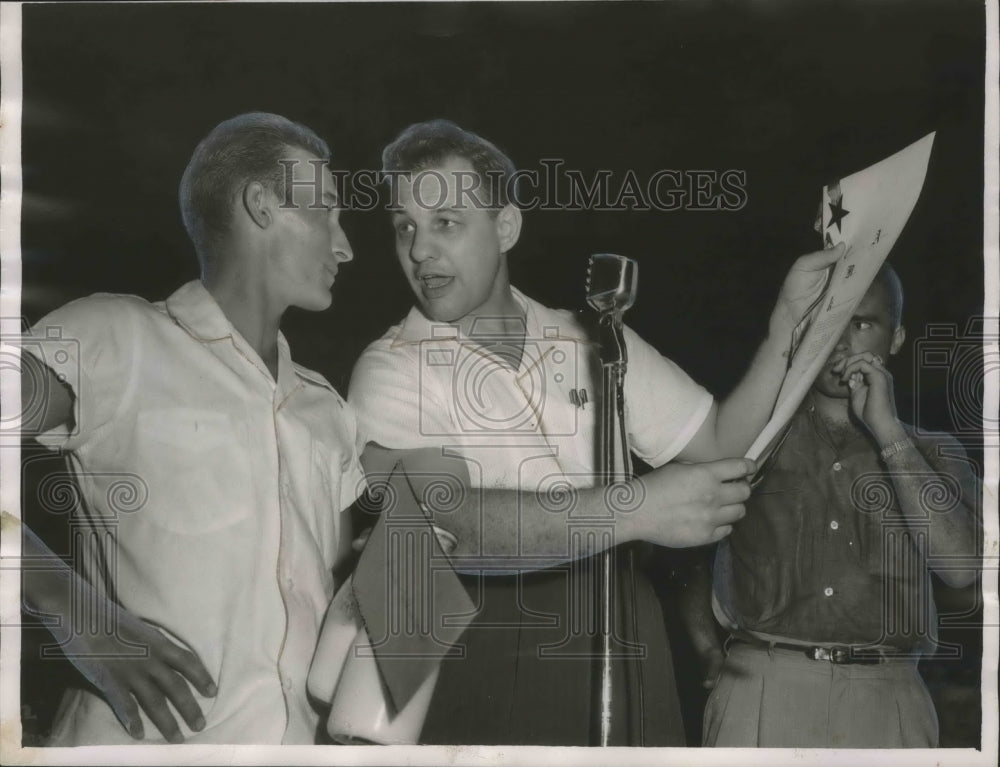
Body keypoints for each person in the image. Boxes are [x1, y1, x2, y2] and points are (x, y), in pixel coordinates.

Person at [346, 118, 844, 745]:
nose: (420, 250)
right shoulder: (391, 366)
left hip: (624, 621)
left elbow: (719, 443)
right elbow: (443, 522)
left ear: (506, 227)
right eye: (405, 228)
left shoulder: (592, 337)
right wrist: (636, 508)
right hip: (484, 638)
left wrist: (786, 331)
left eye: (446, 222)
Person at [18, 112, 363, 745]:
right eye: (327, 213)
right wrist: (75, 612)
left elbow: (337, 594)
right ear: (261, 205)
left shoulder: (328, 410)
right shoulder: (114, 334)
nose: (345, 246)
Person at [693, 266, 980, 748]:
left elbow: (962, 567)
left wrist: (888, 433)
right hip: (763, 686)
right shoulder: (749, 437)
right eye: (830, 320)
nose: (841, 342)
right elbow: (681, 556)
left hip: (888, 699)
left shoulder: (934, 451)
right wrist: (706, 650)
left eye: (863, 323)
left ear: (897, 338)